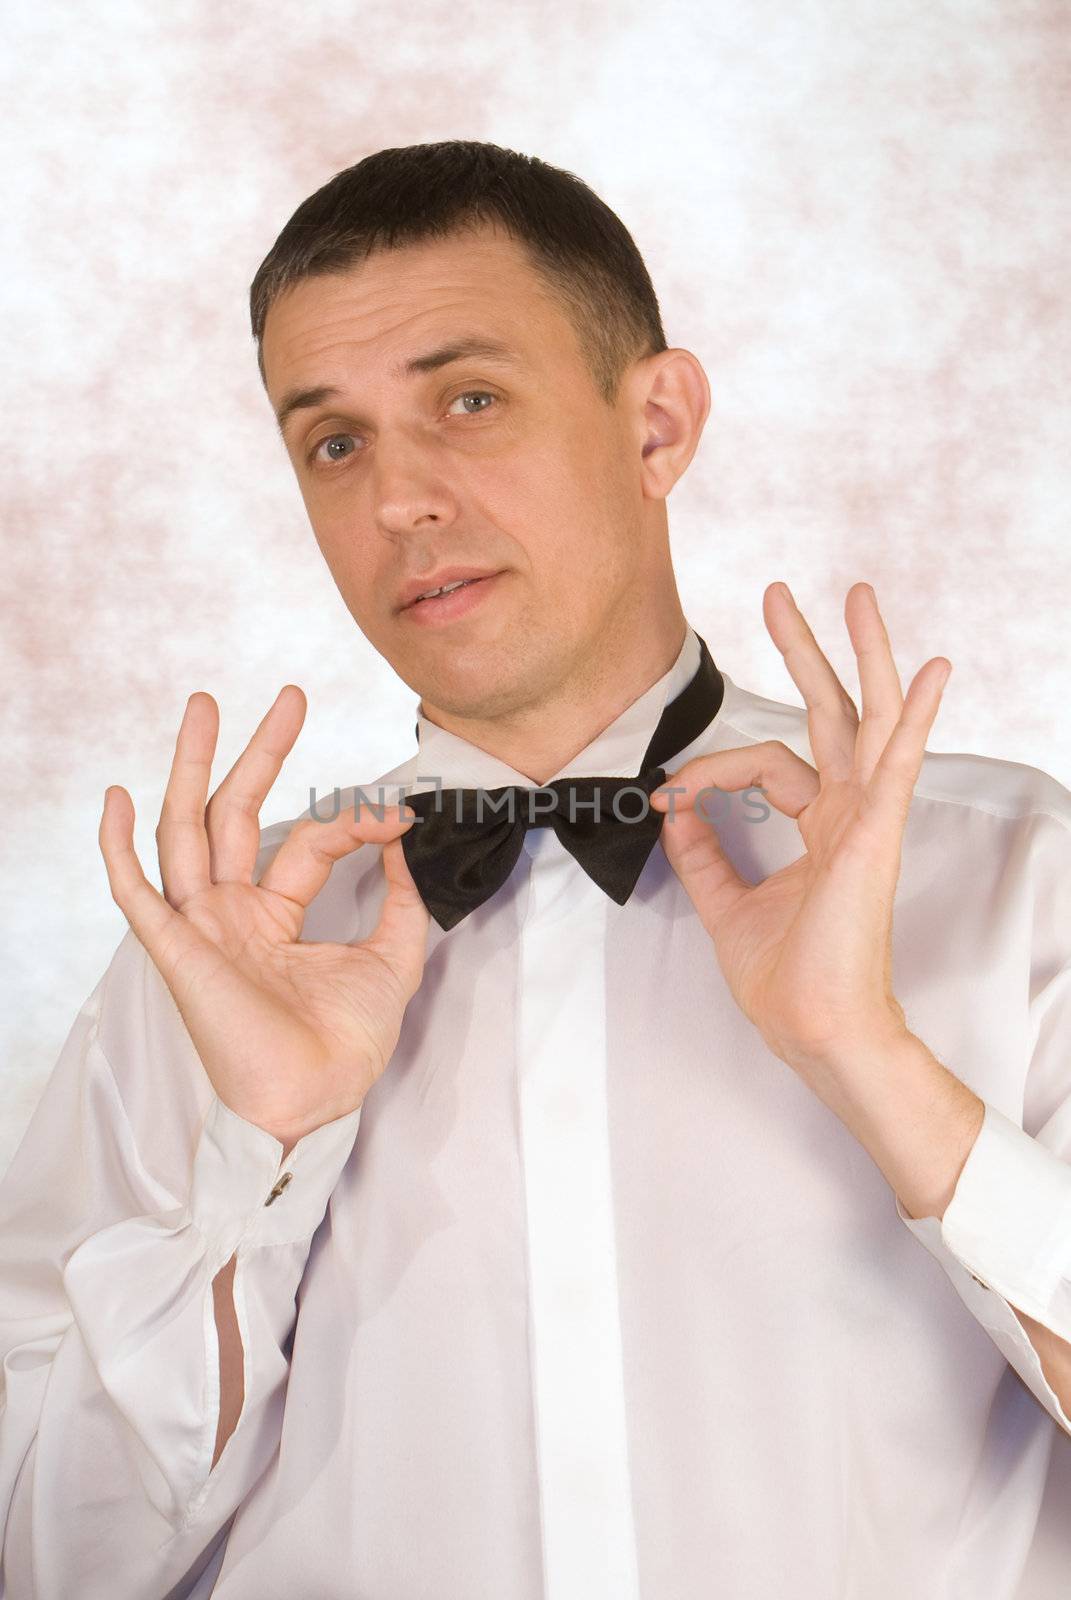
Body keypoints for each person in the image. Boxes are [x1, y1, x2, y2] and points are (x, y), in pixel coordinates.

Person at [1, 140, 1070, 1600]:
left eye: (470, 401)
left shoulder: (1010, 879)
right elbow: (48, 1562)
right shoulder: (215, 960)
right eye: (335, 442)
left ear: (658, 424)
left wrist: (874, 1059)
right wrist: (258, 1158)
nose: (399, 503)